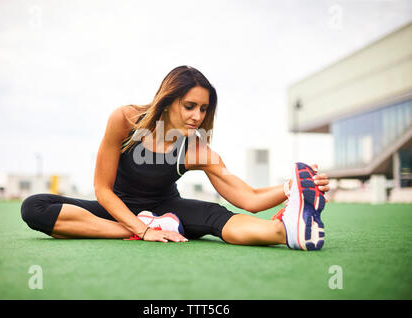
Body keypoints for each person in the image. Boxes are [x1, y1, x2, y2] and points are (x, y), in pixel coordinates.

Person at [21, 65, 330, 251]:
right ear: (168, 100)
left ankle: (285, 232)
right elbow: (102, 188)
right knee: (34, 207)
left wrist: (292, 188)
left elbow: (247, 198)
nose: (198, 116)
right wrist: (142, 229)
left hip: (168, 211)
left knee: (214, 216)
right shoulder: (126, 120)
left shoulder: (197, 150)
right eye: (190, 106)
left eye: (204, 109)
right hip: (116, 208)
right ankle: (137, 227)